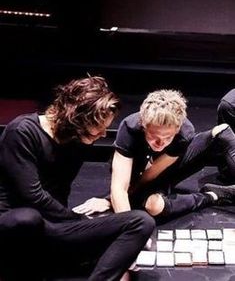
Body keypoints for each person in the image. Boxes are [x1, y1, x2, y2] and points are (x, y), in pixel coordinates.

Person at [0, 76, 155, 281]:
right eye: (98, 127)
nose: (103, 134)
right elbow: (33, 196)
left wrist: (90, 225)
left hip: (56, 228)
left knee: (141, 221)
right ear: (77, 117)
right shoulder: (22, 131)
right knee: (28, 219)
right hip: (17, 224)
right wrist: (76, 219)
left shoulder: (76, 140)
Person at [76, 89, 235, 220]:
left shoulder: (184, 132)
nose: (160, 143)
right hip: (135, 177)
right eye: (154, 137)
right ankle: (212, 195)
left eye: (167, 138)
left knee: (222, 132)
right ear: (144, 126)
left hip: (159, 170)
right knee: (154, 206)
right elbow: (120, 186)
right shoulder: (129, 129)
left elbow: (153, 174)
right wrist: (111, 201)